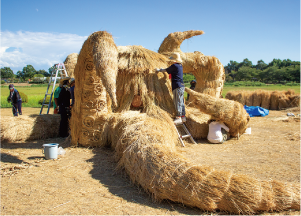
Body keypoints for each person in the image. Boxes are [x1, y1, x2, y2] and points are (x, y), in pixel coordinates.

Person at [156, 53, 186, 124]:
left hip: (177, 86)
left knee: (177, 101)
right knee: (181, 101)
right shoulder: (180, 66)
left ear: (174, 59)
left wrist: (159, 70)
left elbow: (166, 70)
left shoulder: (174, 66)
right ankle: (183, 116)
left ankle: (178, 117)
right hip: (182, 86)